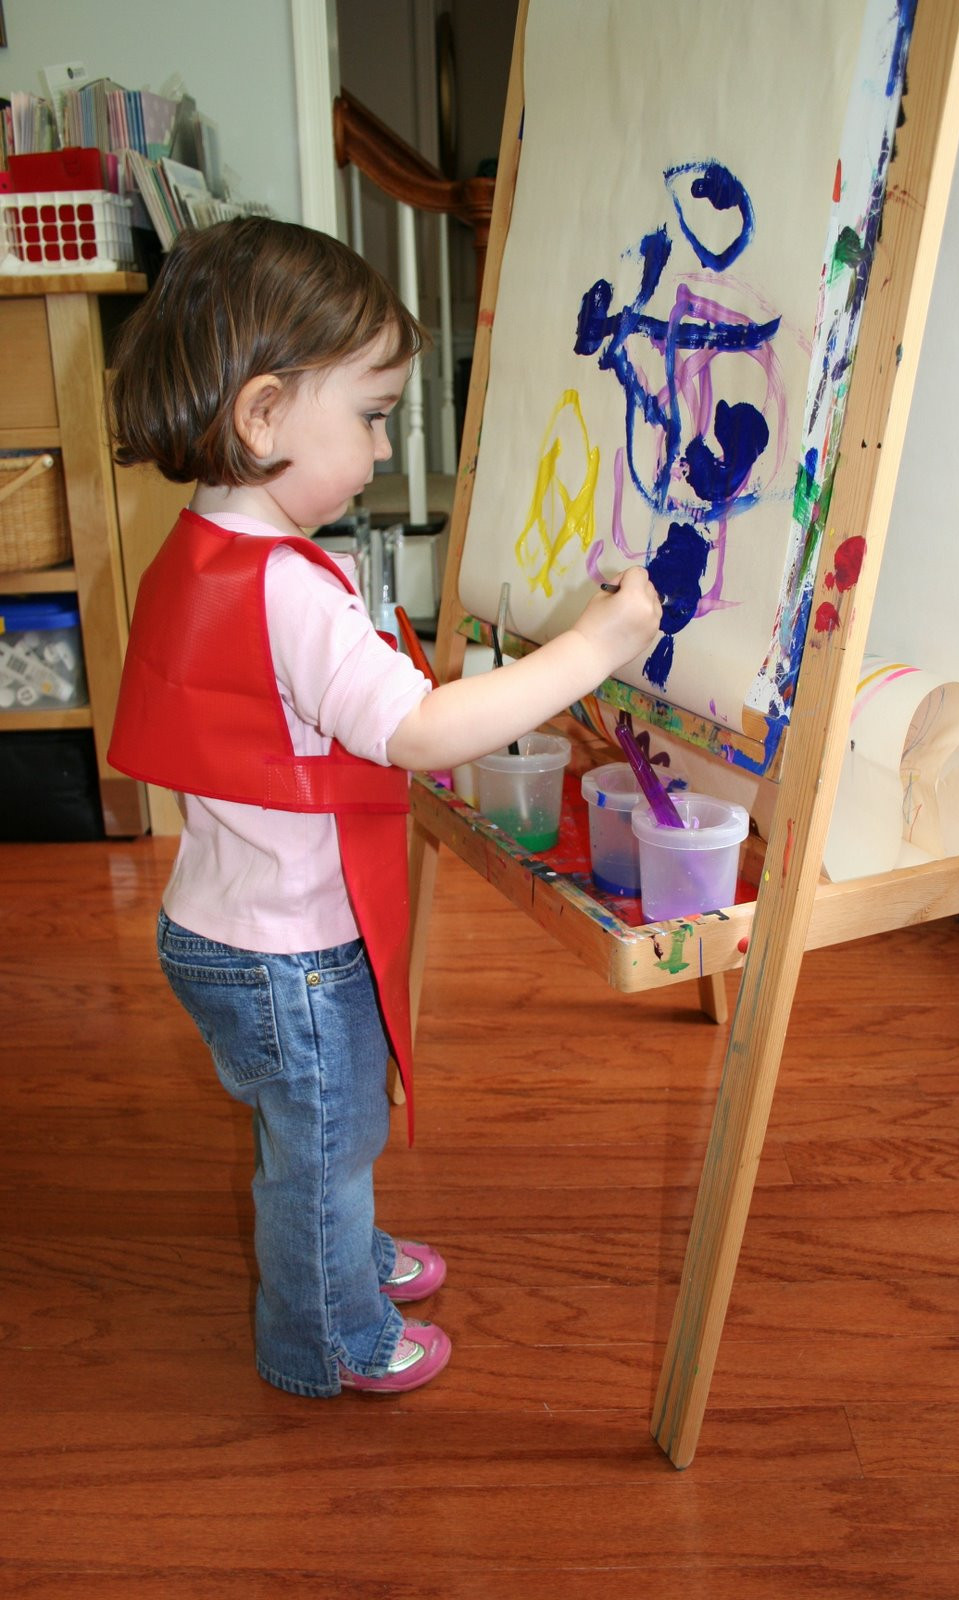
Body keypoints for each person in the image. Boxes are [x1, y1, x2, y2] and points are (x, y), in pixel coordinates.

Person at [106, 218, 661, 1402]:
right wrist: (593, 645)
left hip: (229, 928)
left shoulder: (202, 545)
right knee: (323, 1147)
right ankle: (328, 1337)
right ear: (262, 416)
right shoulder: (289, 594)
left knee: (314, 1140)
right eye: (367, 416)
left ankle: (340, 1257)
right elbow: (416, 731)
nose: (378, 449)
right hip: (288, 957)